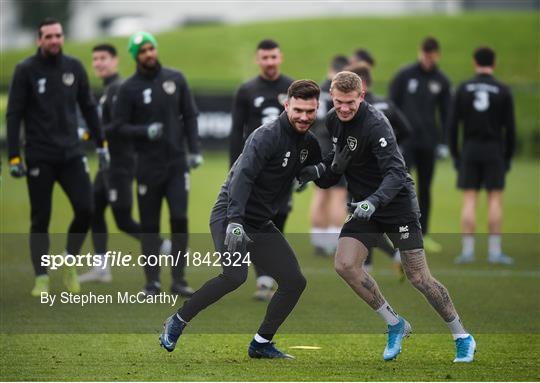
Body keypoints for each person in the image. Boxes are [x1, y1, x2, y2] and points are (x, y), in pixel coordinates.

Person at [299, 71, 476, 363]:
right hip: (364, 206)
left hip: (396, 205)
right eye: (338, 101)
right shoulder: (332, 120)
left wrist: (374, 201)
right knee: (345, 265)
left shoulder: (376, 124)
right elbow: (334, 172)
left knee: (418, 277)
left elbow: (396, 173)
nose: (343, 108)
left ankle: (462, 336)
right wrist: (317, 173)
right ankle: (395, 323)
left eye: (349, 103)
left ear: (362, 97)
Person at [159, 80, 324, 359]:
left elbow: (322, 171)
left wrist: (325, 169)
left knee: (294, 281)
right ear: (286, 105)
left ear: (317, 108)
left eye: (310, 111)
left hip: (260, 222)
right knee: (235, 276)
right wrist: (235, 221)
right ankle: (177, 320)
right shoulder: (266, 136)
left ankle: (261, 343)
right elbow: (241, 178)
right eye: (298, 109)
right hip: (230, 215)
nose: (304, 116)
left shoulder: (308, 142)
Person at [6, 18, 109, 297]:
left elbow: (88, 106)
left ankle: (69, 261)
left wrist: (102, 144)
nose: (54, 40)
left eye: (58, 35)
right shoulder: (25, 70)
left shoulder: (74, 67)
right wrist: (14, 156)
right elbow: (14, 114)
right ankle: (41, 277)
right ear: (39, 40)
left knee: (86, 209)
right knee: (41, 218)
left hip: (72, 154)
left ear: (63, 38)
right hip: (39, 155)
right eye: (48, 36)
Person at [113, 31, 202, 297]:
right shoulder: (128, 88)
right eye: (142, 51)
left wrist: (194, 150)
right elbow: (118, 127)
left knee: (179, 218)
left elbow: (190, 115)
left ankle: (179, 279)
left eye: (151, 49)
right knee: (150, 225)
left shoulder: (175, 78)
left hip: (176, 164)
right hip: (147, 167)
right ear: (135, 56)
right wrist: (143, 131)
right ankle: (151, 282)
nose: (149, 54)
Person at [79, 44, 173, 283]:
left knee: (123, 220)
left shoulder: (119, 88)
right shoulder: (107, 89)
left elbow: (121, 128)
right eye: (95, 59)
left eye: (103, 58)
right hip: (108, 163)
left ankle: (167, 248)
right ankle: (101, 268)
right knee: (93, 209)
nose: (99, 63)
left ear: (115, 61)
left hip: (121, 163)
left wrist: (88, 133)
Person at [228, 39, 294, 300]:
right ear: (258, 60)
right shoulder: (246, 90)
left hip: (284, 167)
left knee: (279, 217)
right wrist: (234, 166)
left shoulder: (291, 87)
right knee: (255, 219)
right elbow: (236, 131)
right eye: (264, 58)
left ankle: (269, 272)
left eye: (273, 57)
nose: (269, 62)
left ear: (280, 57)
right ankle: (264, 278)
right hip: (255, 168)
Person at [448, 46, 515, 265]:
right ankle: (495, 252)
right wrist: (507, 157)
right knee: (495, 199)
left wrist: (456, 154)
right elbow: (510, 129)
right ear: (493, 64)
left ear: (474, 62)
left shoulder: (464, 88)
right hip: (494, 149)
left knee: (469, 200)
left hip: (470, 148)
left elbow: (452, 125)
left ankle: (467, 252)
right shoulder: (503, 89)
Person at [347, 63, 412, 277]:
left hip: (365, 173)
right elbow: (407, 130)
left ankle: (369, 266)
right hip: (389, 173)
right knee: (378, 217)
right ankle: (392, 256)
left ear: (361, 84)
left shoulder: (361, 109)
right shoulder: (387, 103)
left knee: (363, 216)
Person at [389, 37, 452, 253]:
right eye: (425, 55)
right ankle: (399, 233)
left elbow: (446, 114)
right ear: (420, 52)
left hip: (429, 143)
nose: (427, 59)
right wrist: (391, 139)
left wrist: (444, 142)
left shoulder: (441, 80)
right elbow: (390, 107)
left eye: (431, 55)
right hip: (405, 143)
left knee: (425, 188)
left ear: (437, 55)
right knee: (401, 187)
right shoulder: (404, 75)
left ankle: (423, 234)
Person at [310, 54, 350, 256]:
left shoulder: (317, 90)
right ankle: (335, 242)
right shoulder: (343, 90)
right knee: (338, 194)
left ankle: (318, 238)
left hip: (318, 144)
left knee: (320, 193)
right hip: (336, 145)